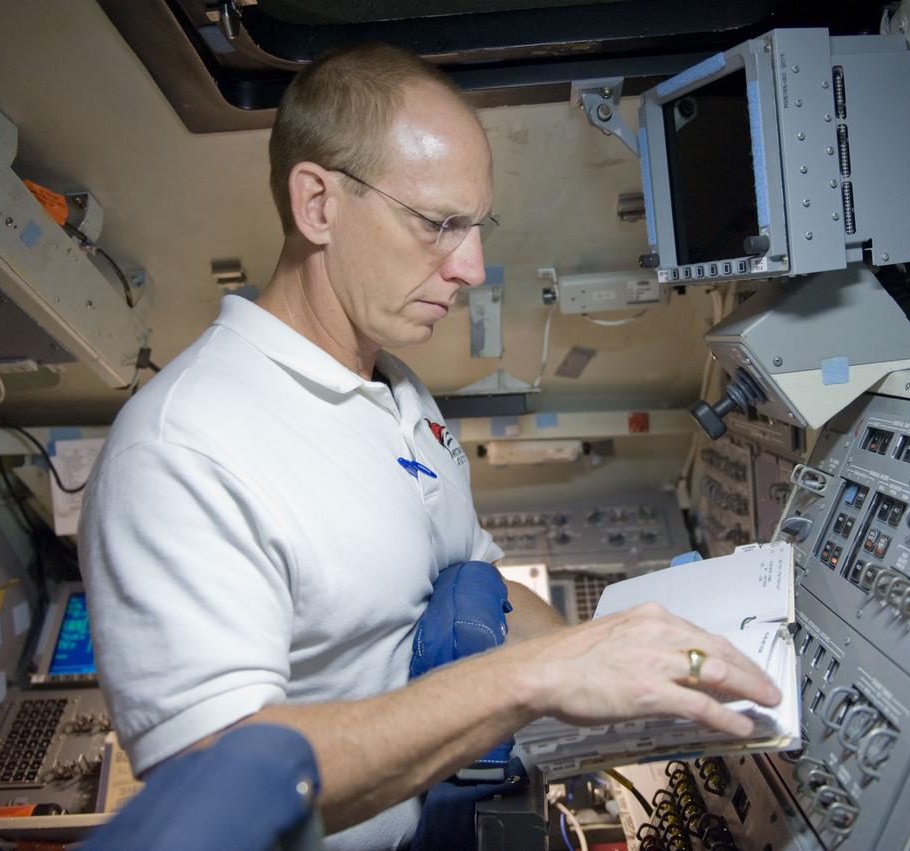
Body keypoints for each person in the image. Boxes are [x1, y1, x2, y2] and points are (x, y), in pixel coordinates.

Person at [79, 42, 781, 850]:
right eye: (439, 224)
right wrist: (537, 677)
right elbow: (218, 786)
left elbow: (479, 581)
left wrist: (634, 665)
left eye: (477, 227)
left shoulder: (400, 391)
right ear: (318, 205)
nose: (473, 267)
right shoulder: (185, 448)